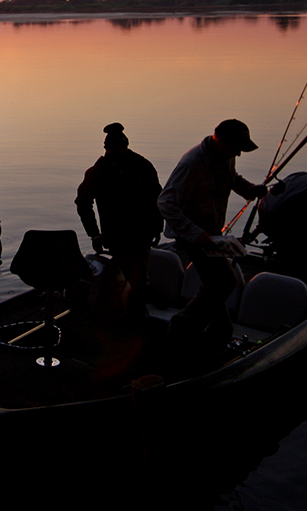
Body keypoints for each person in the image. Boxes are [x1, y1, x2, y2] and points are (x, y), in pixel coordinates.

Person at [158, 118, 268, 349]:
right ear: (221, 141)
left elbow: (232, 179)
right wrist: (196, 234)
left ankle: (221, 331)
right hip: (192, 234)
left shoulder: (224, 158)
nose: (238, 153)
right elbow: (165, 202)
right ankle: (181, 328)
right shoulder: (191, 163)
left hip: (212, 232)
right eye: (237, 147)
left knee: (214, 282)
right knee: (224, 281)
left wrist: (252, 190)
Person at [75, 123, 163, 315]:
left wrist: (158, 226)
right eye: (113, 149)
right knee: (128, 271)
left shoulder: (142, 165)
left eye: (120, 148)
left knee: (136, 271)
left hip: (142, 231)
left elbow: (157, 197)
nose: (117, 152)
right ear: (106, 148)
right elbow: (83, 203)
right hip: (115, 234)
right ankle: (129, 311)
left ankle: (130, 310)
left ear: (126, 146)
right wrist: (95, 234)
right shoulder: (97, 172)